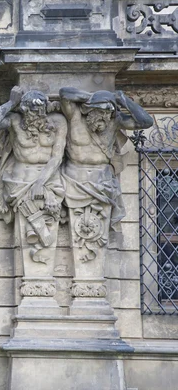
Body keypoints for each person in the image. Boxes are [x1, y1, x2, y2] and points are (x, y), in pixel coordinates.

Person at [59, 88, 153, 262]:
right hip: (73, 179)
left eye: (108, 113)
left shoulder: (114, 121)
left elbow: (146, 122)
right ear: (90, 110)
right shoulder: (75, 117)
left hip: (102, 181)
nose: (104, 117)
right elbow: (64, 93)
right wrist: (98, 97)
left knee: (98, 235)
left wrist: (123, 101)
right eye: (100, 112)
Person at [0, 86, 67, 263]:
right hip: (19, 182)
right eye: (31, 112)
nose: (35, 117)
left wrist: (40, 183)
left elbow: (57, 157)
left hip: (49, 180)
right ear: (24, 109)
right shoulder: (15, 121)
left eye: (39, 112)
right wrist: (10, 103)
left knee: (46, 223)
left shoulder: (58, 122)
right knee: (29, 227)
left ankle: (39, 252)